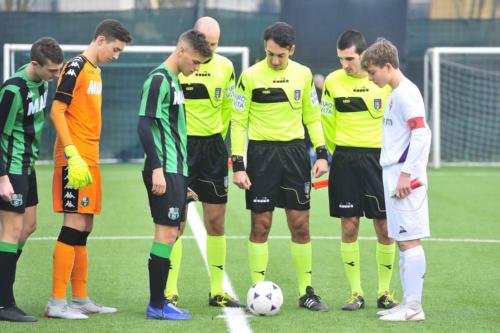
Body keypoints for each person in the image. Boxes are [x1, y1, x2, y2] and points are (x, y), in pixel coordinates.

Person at [231, 21, 329, 312]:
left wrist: (322, 153)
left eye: (280, 55)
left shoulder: (303, 74)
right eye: (270, 54)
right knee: (260, 225)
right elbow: (238, 121)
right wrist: (238, 162)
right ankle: (256, 289)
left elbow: (312, 117)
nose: (274, 60)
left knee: (300, 225)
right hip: (261, 156)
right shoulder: (249, 76)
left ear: (292, 50)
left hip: (295, 154)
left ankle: (306, 291)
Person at [45, 19, 132, 320]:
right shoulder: (75, 66)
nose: (116, 55)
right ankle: (56, 302)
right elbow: (57, 109)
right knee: (72, 223)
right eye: (115, 49)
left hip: (90, 159)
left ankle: (79, 298)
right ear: (100, 40)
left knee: (86, 226)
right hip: (74, 158)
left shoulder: (96, 71)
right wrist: (71, 153)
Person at [165, 17, 244, 308]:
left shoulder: (226, 67)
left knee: (216, 221)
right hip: (181, 148)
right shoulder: (176, 66)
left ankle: (217, 291)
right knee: (176, 221)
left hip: (212, 149)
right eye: (205, 44)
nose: (210, 50)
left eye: (215, 44)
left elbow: (228, 110)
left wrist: (218, 143)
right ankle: (170, 290)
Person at [320, 30, 398, 311]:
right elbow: (326, 122)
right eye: (341, 59)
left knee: (385, 227)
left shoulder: (383, 81)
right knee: (349, 224)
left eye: (350, 58)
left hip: (378, 160)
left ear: (363, 55)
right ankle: (355, 292)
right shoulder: (331, 82)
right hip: (345, 159)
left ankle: (385, 291)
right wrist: (336, 153)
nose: (345, 64)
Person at [138, 29, 212, 320]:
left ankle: (160, 302)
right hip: (164, 169)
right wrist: (157, 168)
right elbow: (144, 126)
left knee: (174, 231)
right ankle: (157, 304)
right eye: (194, 62)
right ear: (181, 50)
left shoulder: (174, 81)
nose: (195, 69)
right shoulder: (158, 79)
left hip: (176, 170)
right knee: (166, 233)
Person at [361, 37, 431, 322]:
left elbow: (421, 133)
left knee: (410, 241)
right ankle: (407, 302)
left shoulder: (405, 94)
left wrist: (406, 174)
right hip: (393, 174)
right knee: (402, 240)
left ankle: (414, 308)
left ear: (387, 66)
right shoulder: (395, 93)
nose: (370, 76)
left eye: (373, 71)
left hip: (404, 179)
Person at [0, 37, 63, 322]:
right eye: (52, 70)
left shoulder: (43, 81)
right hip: (10, 169)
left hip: (28, 166)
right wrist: (2, 177)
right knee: (10, 233)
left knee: (28, 227)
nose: (56, 75)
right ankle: (4, 304)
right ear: (35, 64)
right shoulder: (13, 89)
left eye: (58, 69)